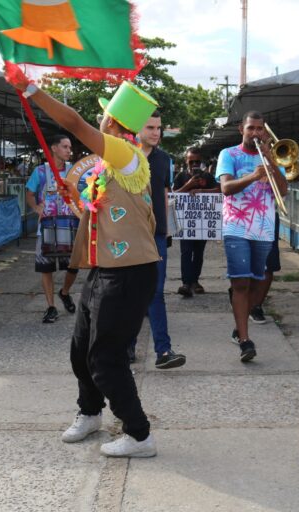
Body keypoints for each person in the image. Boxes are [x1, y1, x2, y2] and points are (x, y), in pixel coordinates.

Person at [7, 72, 161, 458]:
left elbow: (73, 122)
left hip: (129, 272)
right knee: (81, 350)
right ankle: (90, 412)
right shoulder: (112, 166)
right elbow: (102, 219)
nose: (99, 122)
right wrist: (75, 199)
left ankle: (139, 434)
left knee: (106, 358)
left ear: (112, 121)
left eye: (104, 116)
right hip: (104, 269)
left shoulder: (125, 154)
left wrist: (31, 90)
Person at [216, 111, 287, 362]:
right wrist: (254, 176)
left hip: (264, 229)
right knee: (241, 283)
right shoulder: (229, 154)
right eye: (251, 128)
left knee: (258, 281)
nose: (255, 133)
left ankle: (240, 323)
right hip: (236, 227)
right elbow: (226, 188)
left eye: (259, 129)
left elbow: (284, 190)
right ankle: (246, 342)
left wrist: (271, 163)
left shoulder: (271, 156)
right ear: (241, 130)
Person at [127, 111, 186, 369]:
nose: (156, 133)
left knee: (156, 292)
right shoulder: (126, 157)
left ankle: (163, 351)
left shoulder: (164, 160)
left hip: (157, 235)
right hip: (130, 233)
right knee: (129, 293)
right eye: (150, 127)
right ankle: (126, 347)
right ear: (137, 129)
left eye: (159, 128)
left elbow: (164, 194)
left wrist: (168, 229)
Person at [25, 133, 79, 324]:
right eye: (65, 147)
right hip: (46, 226)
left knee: (73, 265)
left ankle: (64, 292)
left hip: (70, 224)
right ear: (54, 148)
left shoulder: (75, 171)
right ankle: (51, 306)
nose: (69, 151)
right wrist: (36, 207)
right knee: (45, 267)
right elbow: (30, 193)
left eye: (70, 147)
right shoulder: (40, 171)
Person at [174, 146, 219, 297]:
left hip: (203, 222)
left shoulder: (208, 177)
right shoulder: (180, 176)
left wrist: (201, 191)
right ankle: (186, 283)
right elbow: (172, 195)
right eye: (191, 162)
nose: (194, 165)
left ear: (201, 162)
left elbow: (219, 191)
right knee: (186, 252)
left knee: (198, 253)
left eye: (197, 162)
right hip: (185, 222)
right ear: (186, 161)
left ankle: (195, 281)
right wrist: (189, 186)